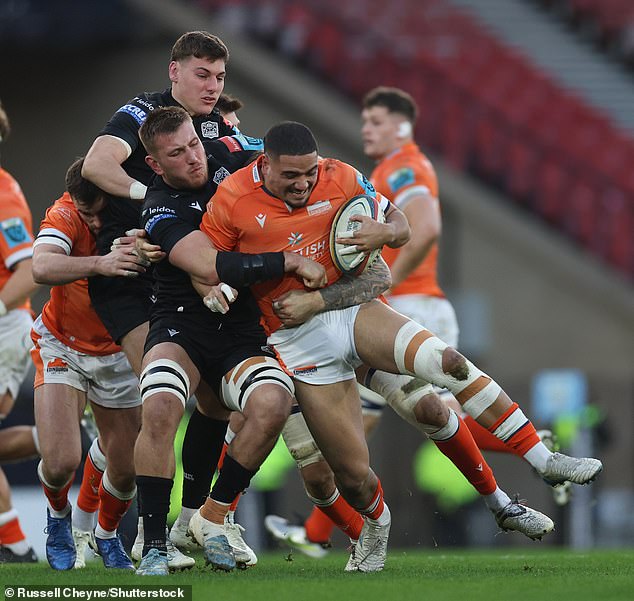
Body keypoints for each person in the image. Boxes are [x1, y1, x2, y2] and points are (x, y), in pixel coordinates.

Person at [198, 121, 603, 570]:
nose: (303, 184)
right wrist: (218, 290)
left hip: (352, 313)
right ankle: (372, 523)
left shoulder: (343, 176)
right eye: (290, 176)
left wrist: (386, 233)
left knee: (447, 365)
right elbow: (207, 265)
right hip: (292, 340)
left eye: (309, 173)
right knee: (348, 476)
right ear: (265, 165)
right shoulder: (232, 198)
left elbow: (398, 229)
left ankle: (541, 461)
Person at [132, 106, 325, 576]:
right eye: (177, 154)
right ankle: (153, 542)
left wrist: (372, 203)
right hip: (181, 325)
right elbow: (208, 266)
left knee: (273, 404)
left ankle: (212, 519)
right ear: (156, 165)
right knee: (159, 404)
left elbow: (296, 162)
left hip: (241, 329)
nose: (193, 158)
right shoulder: (159, 207)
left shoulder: (231, 156)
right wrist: (289, 262)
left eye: (194, 144)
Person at [82, 30, 237, 376]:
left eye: (220, 77)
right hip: (130, 271)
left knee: (217, 404)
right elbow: (96, 164)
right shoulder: (144, 111)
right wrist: (151, 200)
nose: (213, 87)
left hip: (183, 271)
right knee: (161, 393)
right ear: (174, 72)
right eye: (202, 75)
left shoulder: (219, 128)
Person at [30, 158, 148, 571]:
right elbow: (41, 266)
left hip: (118, 351)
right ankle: (59, 517)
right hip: (64, 345)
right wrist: (102, 263)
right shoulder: (64, 212)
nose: (96, 223)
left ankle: (106, 535)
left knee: (128, 467)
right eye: (87, 214)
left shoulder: (138, 208)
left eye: (102, 212)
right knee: (61, 461)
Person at [0, 98, 40, 563]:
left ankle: (13, 544)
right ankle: (59, 438)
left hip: (6, 324)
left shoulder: (4, 194)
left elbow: (28, 270)